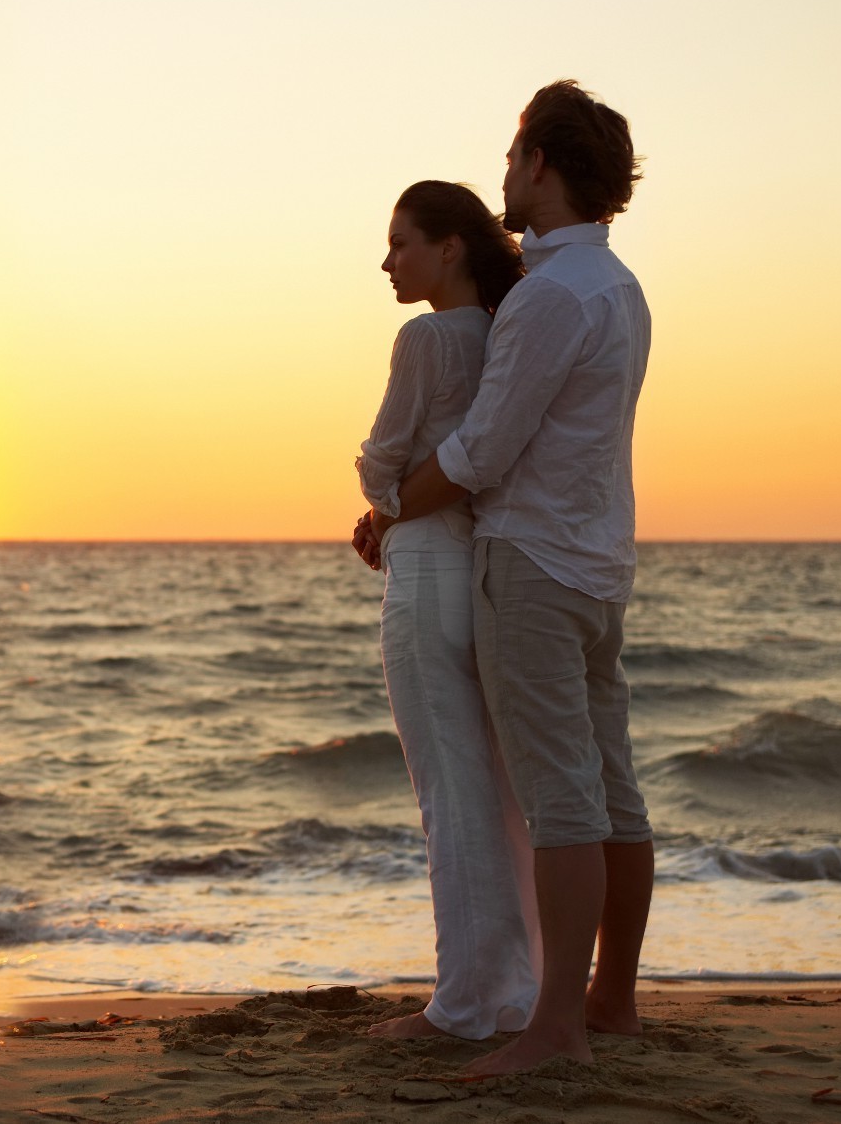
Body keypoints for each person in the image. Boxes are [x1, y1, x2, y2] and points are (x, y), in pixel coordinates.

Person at [368, 80, 653, 1074]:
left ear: (539, 163)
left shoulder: (548, 298)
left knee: (561, 801)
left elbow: (484, 450)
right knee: (612, 794)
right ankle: (611, 1002)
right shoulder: (619, 289)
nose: (500, 176)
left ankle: (557, 1027)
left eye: (511, 154)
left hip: (531, 564)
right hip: (600, 563)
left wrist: (389, 509)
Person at [348, 181, 540, 1041]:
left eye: (401, 243)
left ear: (451, 247)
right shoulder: (504, 334)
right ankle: (511, 991)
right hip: (478, 572)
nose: (387, 261)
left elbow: (383, 459)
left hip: (424, 577)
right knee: (493, 793)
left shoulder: (425, 337)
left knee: (450, 799)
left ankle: (463, 1004)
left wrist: (380, 504)